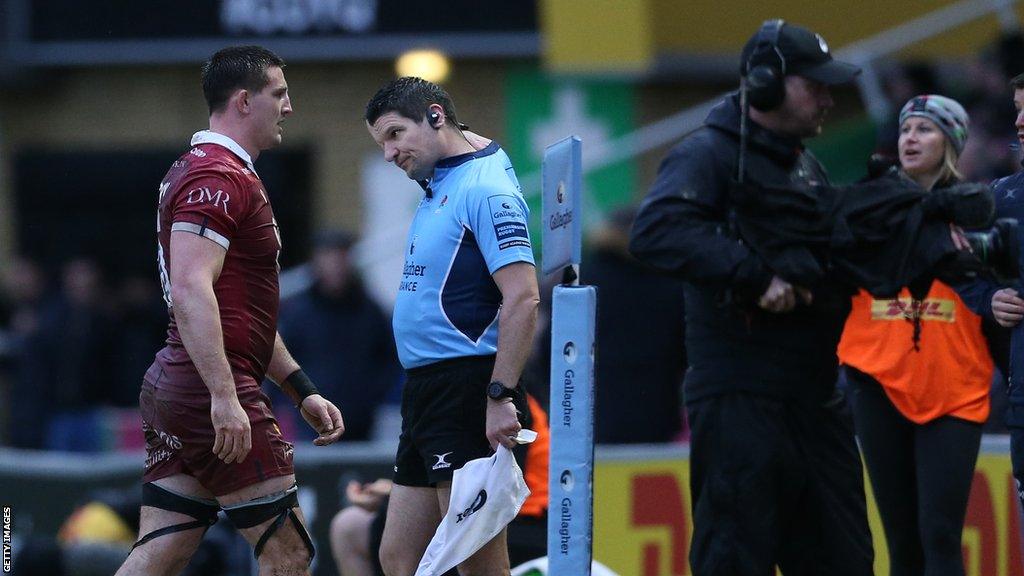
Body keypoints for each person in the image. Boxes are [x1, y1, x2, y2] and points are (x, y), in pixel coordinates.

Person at [629, 20, 875, 574]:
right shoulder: (707, 155)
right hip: (741, 397)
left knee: (846, 559)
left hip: (815, 398)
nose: (828, 98)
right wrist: (755, 277)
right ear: (765, 84)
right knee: (736, 558)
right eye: (815, 84)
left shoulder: (804, 165)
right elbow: (656, 230)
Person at [116, 45, 345, 576]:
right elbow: (193, 291)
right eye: (279, 93)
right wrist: (223, 395)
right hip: (205, 391)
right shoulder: (218, 178)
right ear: (244, 101)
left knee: (164, 550)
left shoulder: (206, 171)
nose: (289, 106)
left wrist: (299, 387)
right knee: (290, 551)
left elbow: (240, 312)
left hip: (183, 385)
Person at [364, 76, 539, 576]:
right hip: (425, 389)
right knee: (399, 557)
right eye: (382, 142)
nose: (389, 153)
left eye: (396, 135)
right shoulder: (446, 178)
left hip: (467, 388)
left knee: (475, 562)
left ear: (436, 115)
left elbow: (523, 297)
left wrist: (499, 394)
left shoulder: (486, 190)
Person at [839, 95, 991, 576]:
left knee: (941, 535)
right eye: (906, 130)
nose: (910, 138)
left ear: (951, 141)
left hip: (955, 389)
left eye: (925, 129)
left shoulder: (977, 211)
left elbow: (997, 290)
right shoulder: (865, 209)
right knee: (902, 540)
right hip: (877, 380)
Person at [329, 393, 550, 575]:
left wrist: (389, 499)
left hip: (525, 521)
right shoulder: (431, 397)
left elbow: (490, 488)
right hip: (473, 507)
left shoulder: (503, 408)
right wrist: (389, 495)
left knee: (444, 547)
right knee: (350, 526)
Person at [958, 72, 1024, 518]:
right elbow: (962, 269)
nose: (1020, 121)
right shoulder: (1003, 197)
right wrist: (989, 298)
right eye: (1018, 108)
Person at [275, 230, 402, 441]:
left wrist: (372, 395)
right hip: (310, 419)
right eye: (327, 257)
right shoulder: (296, 313)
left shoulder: (370, 311)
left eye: (340, 258)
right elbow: (279, 363)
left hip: (360, 422)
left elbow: (390, 359)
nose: (334, 266)